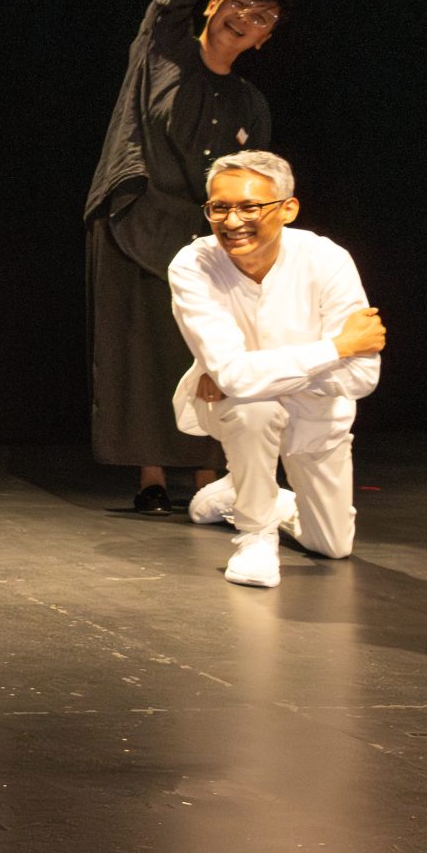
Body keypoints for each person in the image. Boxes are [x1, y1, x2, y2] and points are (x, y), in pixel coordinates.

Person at [85, 0, 292, 513]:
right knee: (140, 348)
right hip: (136, 219)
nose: (246, 19)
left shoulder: (250, 103)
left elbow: (256, 189)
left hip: (209, 238)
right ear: (212, 5)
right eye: (239, 5)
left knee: (208, 347)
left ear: (266, 39)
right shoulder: (164, 46)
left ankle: (208, 473)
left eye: (262, 19)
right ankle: (150, 475)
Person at [167, 152, 383, 588]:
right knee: (255, 407)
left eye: (249, 207)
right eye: (219, 208)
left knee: (333, 545)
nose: (232, 221)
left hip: (318, 415)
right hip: (235, 408)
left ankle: (244, 491)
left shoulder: (327, 260)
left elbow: (362, 377)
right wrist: (338, 347)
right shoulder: (193, 265)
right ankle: (255, 536)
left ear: (288, 208)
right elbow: (234, 378)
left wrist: (253, 373)